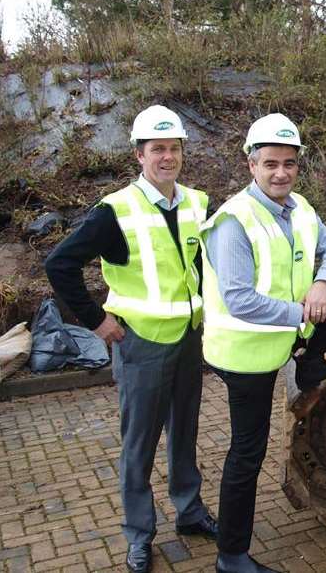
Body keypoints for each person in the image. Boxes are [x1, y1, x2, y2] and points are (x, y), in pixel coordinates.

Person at [45, 105, 217, 573]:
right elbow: (59, 265)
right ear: (139, 156)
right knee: (138, 443)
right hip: (139, 343)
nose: (167, 157)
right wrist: (96, 321)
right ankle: (139, 535)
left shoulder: (198, 204)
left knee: (185, 432)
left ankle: (191, 512)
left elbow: (206, 268)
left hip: (187, 338)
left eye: (174, 148)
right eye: (157, 149)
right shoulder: (115, 210)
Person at [201, 114, 326, 573]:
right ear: (251, 165)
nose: (281, 173)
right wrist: (302, 313)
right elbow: (238, 299)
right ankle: (231, 556)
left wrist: (319, 285)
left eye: (289, 163)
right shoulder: (234, 221)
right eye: (270, 163)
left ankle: (312, 363)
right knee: (246, 451)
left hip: (283, 339)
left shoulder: (299, 208)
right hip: (245, 355)